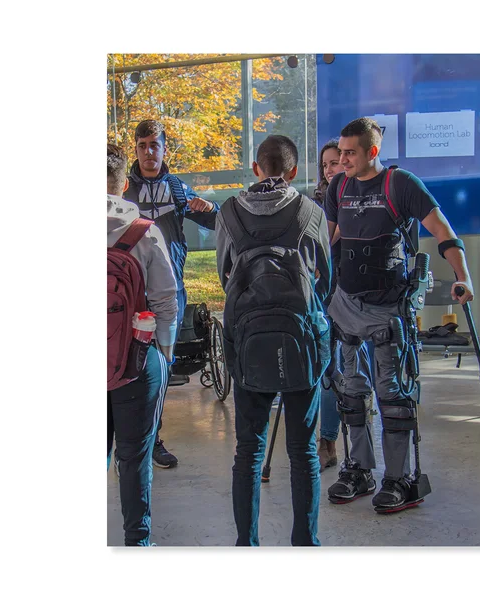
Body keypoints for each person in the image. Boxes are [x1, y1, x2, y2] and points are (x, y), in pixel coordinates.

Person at [324, 117, 475, 512]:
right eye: (340, 152)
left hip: (387, 308)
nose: (342, 160)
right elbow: (329, 238)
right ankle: (359, 469)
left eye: (350, 153)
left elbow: (443, 230)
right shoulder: (339, 187)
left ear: (372, 151)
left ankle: (399, 478)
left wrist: (463, 276)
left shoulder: (400, 184)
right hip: (345, 304)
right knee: (351, 392)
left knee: (391, 395)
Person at [216, 134, 332, 545]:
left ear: (256, 168)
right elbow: (326, 282)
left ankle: (246, 545)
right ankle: (305, 544)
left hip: (249, 343)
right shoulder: (311, 212)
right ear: (294, 171)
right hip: (300, 341)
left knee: (248, 451)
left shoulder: (229, 213)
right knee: (303, 452)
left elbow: (225, 276)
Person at [123, 119, 218, 469]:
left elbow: (215, 221)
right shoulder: (122, 189)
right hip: (128, 294)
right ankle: (126, 442)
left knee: (161, 367)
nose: (149, 152)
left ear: (164, 149)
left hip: (169, 292)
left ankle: (153, 438)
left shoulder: (177, 188)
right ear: (135, 150)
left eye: (155, 145)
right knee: (124, 366)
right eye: (142, 145)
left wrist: (209, 208)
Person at [107, 143, 178, 545]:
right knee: (135, 458)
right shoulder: (143, 231)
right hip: (135, 357)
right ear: (123, 185)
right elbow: (166, 299)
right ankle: (138, 543)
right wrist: (163, 353)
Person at [312, 139, 374, 472]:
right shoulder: (314, 204)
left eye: (334, 162)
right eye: (324, 165)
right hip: (324, 295)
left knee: (355, 371)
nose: (329, 169)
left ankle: (357, 444)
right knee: (327, 370)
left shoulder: (362, 200)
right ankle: (327, 441)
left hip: (357, 296)